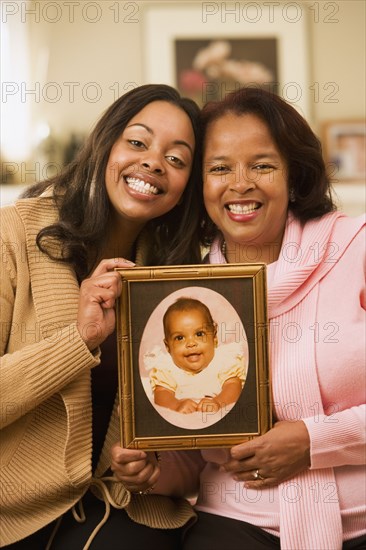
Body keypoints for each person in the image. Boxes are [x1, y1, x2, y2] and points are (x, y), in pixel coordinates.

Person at [112, 87, 366, 550]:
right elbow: (199, 453)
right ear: (199, 185)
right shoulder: (184, 296)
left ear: (295, 176)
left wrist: (314, 440)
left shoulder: (357, 247)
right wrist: (152, 471)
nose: (240, 183)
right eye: (219, 168)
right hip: (233, 522)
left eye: (263, 165)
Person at [0, 84, 204, 549]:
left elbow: (184, 428)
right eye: (137, 142)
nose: (153, 162)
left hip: (124, 509)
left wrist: (153, 468)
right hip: (13, 512)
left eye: (177, 159)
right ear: (104, 145)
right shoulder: (12, 234)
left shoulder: (176, 275)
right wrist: (78, 340)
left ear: (185, 188)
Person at [149, 297, 246, 414]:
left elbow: (234, 387)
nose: (191, 343)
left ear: (214, 337)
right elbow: (161, 395)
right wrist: (176, 405)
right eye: (179, 338)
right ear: (168, 346)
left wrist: (218, 402)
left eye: (199, 334)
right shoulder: (168, 369)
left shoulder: (222, 361)